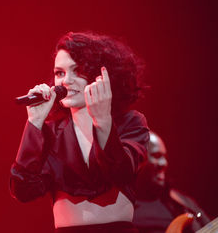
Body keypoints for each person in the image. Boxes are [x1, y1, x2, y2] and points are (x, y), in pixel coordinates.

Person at [10, 31, 150, 232]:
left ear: (102, 75)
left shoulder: (131, 122)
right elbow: (23, 191)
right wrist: (34, 122)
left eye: (78, 70)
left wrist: (103, 121)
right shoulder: (51, 134)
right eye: (60, 73)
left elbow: (121, 173)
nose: (66, 81)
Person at [133, 131, 210, 233]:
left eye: (164, 157)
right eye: (156, 156)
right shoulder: (123, 208)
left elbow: (209, 228)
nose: (164, 163)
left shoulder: (182, 201)